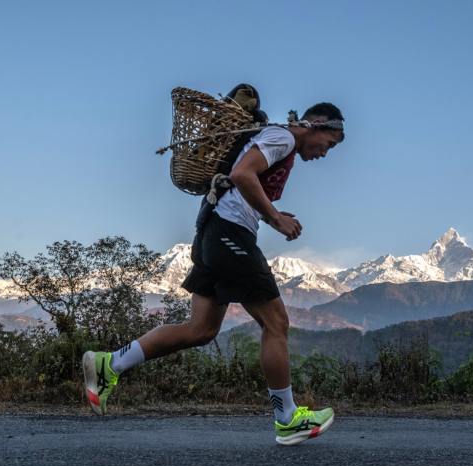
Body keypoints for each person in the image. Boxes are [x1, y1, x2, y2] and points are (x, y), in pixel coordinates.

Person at [82, 102, 345, 445]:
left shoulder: (280, 142)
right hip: (229, 234)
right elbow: (242, 175)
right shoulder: (283, 138)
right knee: (276, 323)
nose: (325, 152)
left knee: (201, 329)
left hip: (212, 232)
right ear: (317, 124)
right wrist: (275, 218)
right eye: (329, 144)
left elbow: (241, 184)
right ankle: (288, 419)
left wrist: (270, 214)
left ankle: (109, 365)